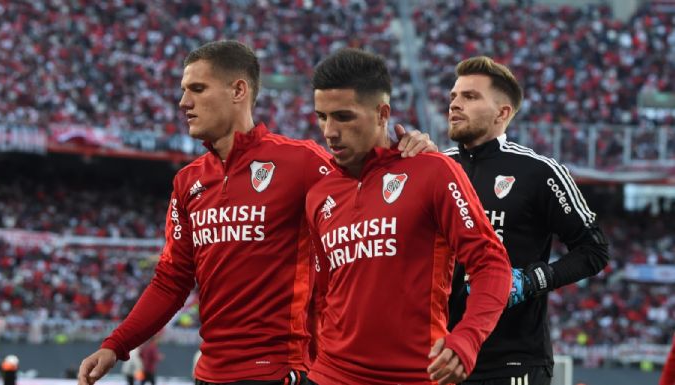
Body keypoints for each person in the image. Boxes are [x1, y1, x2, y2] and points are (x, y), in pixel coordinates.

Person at [77, 40, 436, 385]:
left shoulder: (302, 162)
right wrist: (116, 345)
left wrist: (412, 155)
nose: (183, 102)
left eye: (197, 89)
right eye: (184, 90)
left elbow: (372, 191)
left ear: (238, 91)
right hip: (208, 373)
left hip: (278, 371)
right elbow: (171, 280)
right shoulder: (188, 182)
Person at [304, 48, 512, 385]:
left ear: (382, 112)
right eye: (322, 116)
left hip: (412, 375)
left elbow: (491, 264)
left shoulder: (432, 171)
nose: (329, 131)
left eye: (343, 117)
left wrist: (468, 338)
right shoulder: (319, 194)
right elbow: (324, 295)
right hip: (330, 375)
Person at [443, 56, 610, 385]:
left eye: (470, 96)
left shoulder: (539, 172)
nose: (455, 104)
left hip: (513, 361)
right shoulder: (436, 167)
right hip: (441, 356)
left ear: (503, 113)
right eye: (453, 96)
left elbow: (595, 249)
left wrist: (531, 281)